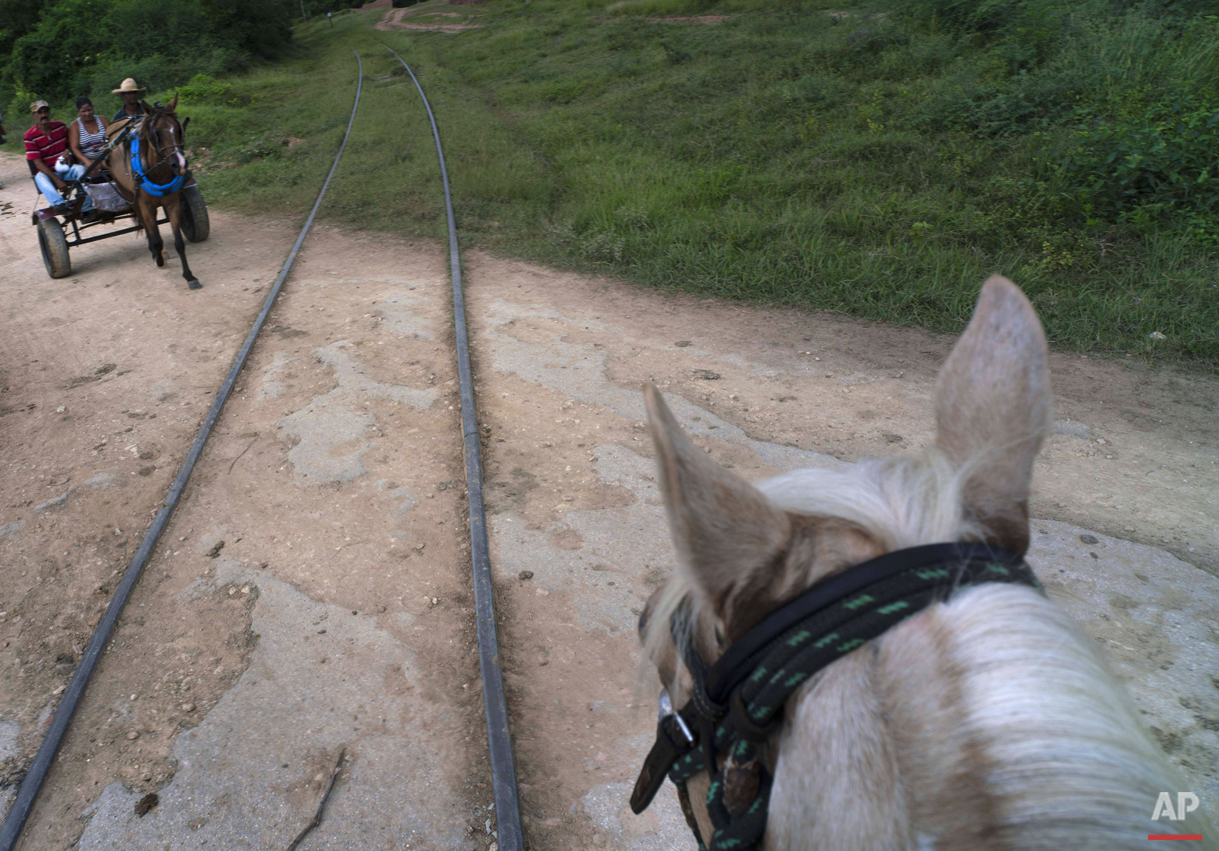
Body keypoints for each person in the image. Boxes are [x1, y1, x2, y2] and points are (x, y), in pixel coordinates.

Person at [24, 100, 93, 217]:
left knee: (81, 170)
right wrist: (57, 180)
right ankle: (59, 204)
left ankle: (86, 207)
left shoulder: (60, 127)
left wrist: (68, 152)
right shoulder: (30, 136)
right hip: (48, 173)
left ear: (49, 112)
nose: (43, 115)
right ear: (33, 115)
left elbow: (71, 146)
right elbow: (37, 163)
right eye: (39, 113)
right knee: (39, 177)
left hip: (65, 169)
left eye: (45, 111)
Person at [68, 96, 109, 173]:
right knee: (91, 170)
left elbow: (113, 138)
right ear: (78, 112)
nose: (87, 113)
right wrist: (87, 161)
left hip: (106, 157)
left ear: (93, 108)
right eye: (83, 111)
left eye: (89, 110)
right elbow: (74, 148)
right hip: (87, 160)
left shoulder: (103, 120)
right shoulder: (75, 126)